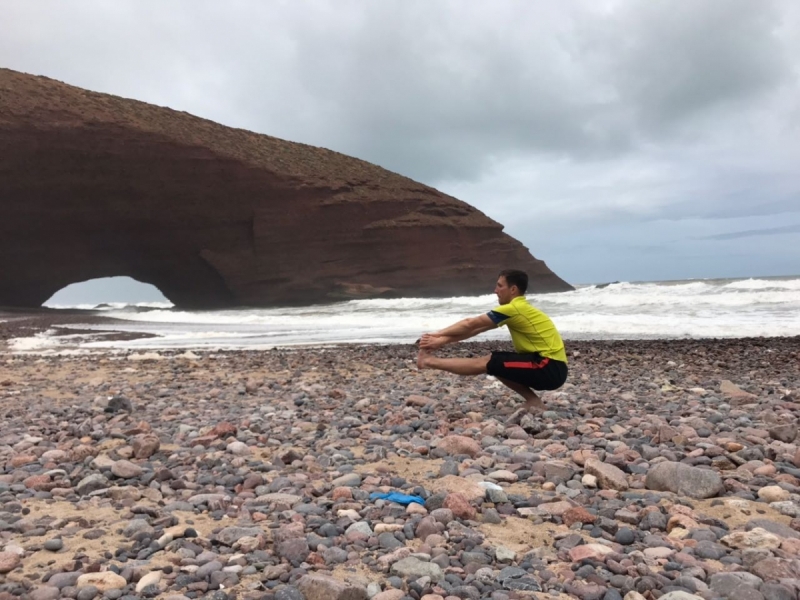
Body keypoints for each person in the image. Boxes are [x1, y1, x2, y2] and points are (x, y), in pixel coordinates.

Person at [417, 269, 568, 418]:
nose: (495, 290)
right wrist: (441, 341)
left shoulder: (514, 308)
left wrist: (436, 334)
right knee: (498, 364)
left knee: (491, 362)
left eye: (500, 286)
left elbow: (470, 323)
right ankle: (533, 401)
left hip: (549, 366)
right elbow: (477, 328)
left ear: (513, 289)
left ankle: (429, 362)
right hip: (550, 366)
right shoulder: (517, 309)